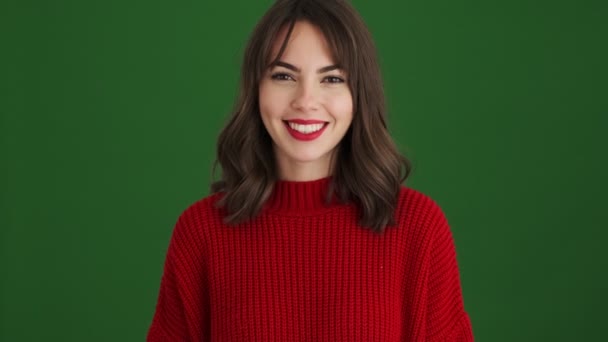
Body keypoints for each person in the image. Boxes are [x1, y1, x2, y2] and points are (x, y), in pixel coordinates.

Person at [147, 0, 474, 340]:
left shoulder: (418, 228)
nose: (306, 100)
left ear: (359, 95)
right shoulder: (201, 233)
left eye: (332, 78)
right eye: (284, 75)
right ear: (256, 89)